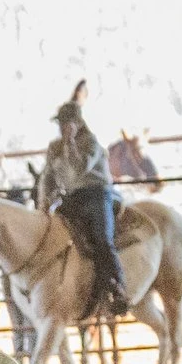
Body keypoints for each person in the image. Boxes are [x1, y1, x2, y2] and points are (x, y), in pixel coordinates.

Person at [43, 98, 127, 317]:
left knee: (102, 239)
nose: (63, 127)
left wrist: (70, 143)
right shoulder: (54, 148)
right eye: (61, 123)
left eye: (66, 122)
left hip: (97, 194)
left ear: (78, 123)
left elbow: (79, 169)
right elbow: (48, 176)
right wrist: (43, 204)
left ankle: (118, 287)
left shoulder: (90, 142)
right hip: (72, 198)